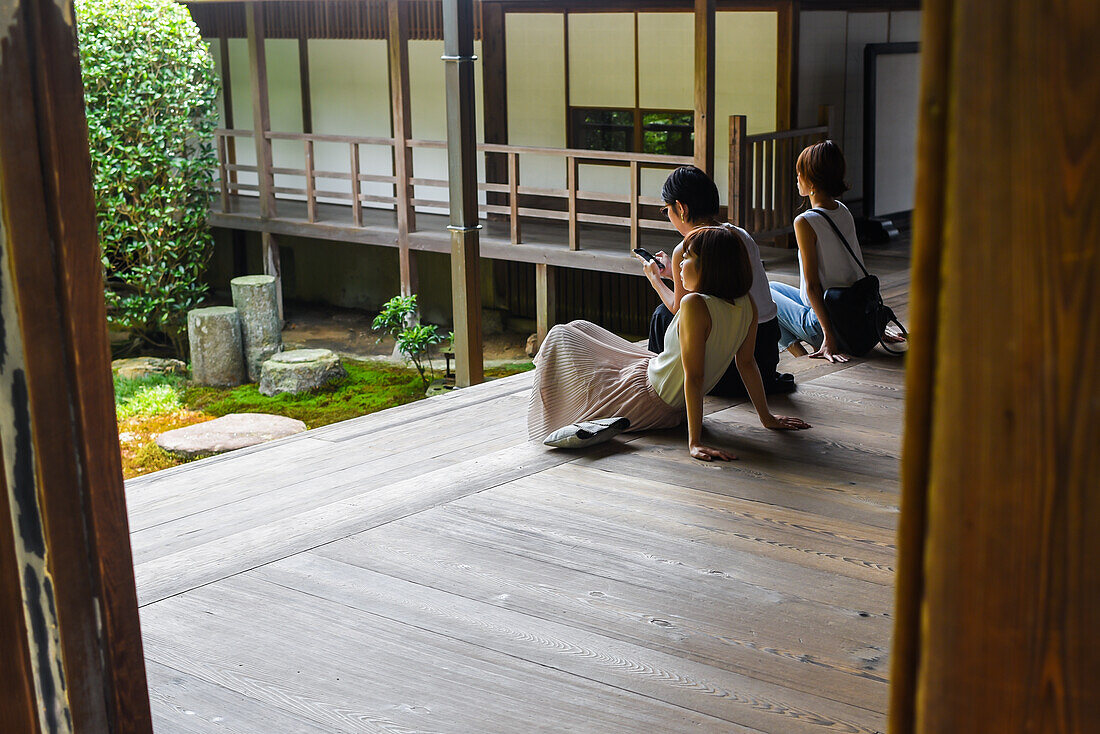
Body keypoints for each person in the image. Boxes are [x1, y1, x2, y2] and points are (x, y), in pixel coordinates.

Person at [528, 226, 810, 462]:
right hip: (664, 390)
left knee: (561, 336)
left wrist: (694, 442)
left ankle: (555, 412)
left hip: (648, 396)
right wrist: (766, 417)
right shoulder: (746, 302)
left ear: (709, 267)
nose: (680, 263)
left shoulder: (694, 304)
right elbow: (747, 364)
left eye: (687, 257)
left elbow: (695, 376)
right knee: (580, 329)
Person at [645, 166, 793, 396]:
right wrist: (675, 273)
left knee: (662, 315)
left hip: (727, 373)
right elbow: (719, 287)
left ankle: (661, 387)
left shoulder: (685, 246)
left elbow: (679, 309)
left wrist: (656, 279)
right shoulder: (738, 235)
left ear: (681, 208)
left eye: (667, 210)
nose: (669, 217)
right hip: (763, 360)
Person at [769, 140, 905, 363]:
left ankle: (810, 355)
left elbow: (813, 285)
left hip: (827, 325)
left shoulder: (804, 221)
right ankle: (807, 355)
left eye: (799, 173)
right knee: (772, 288)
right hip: (851, 315)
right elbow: (855, 273)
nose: (797, 179)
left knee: (761, 295)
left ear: (811, 180)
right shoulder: (842, 210)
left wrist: (830, 336)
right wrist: (875, 326)